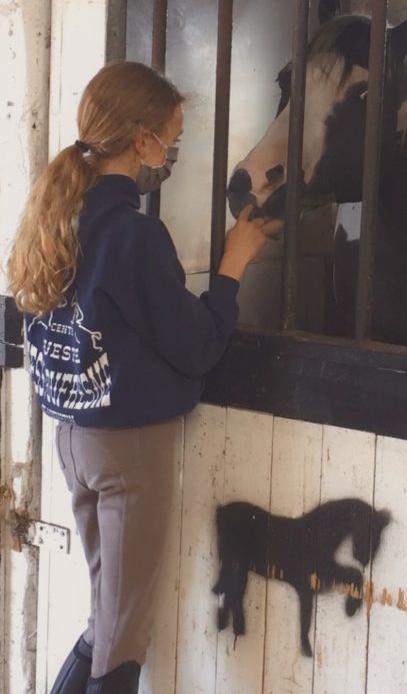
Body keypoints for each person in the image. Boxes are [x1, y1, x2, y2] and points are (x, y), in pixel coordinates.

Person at [8, 61, 267, 694]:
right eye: (170, 139)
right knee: (122, 643)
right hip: (129, 447)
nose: (170, 153)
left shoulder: (54, 216)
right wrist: (232, 267)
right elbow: (198, 345)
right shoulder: (133, 235)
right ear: (140, 138)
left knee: (106, 624)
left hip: (74, 434)